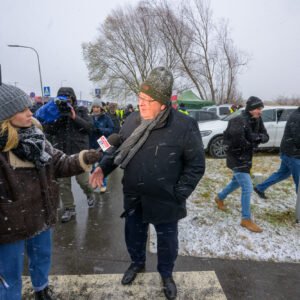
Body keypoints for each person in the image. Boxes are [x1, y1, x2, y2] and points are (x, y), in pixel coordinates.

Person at [90, 67, 205, 300]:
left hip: (166, 198)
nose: (141, 104)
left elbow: (196, 165)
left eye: (148, 100)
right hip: (134, 194)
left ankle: (166, 274)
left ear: (163, 104)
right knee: (133, 234)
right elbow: (117, 149)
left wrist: (178, 193)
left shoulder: (184, 126)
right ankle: (137, 263)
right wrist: (103, 166)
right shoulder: (132, 120)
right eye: (140, 98)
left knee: (167, 241)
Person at [0, 84, 101, 300]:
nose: (30, 113)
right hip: (9, 225)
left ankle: (42, 289)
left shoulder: (36, 137)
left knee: (42, 258)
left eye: (29, 108)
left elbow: (59, 162)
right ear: (5, 116)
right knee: (9, 276)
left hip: (41, 215)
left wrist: (85, 157)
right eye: (22, 110)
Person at [215, 96, 269, 233]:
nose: (260, 111)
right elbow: (238, 143)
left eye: (261, 109)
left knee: (236, 182)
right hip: (237, 158)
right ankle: (246, 219)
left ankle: (219, 197)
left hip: (247, 157)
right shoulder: (238, 120)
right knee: (247, 187)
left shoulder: (257, 119)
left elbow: (265, 136)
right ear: (251, 108)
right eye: (258, 109)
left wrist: (255, 137)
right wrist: (255, 139)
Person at [42, 87, 95, 222]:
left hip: (79, 152)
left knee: (82, 180)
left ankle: (90, 194)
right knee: (63, 184)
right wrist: (54, 116)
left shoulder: (81, 111)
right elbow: (48, 131)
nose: (65, 101)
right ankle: (69, 208)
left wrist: (74, 117)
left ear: (73, 98)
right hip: (61, 153)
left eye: (68, 98)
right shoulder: (57, 113)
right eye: (62, 99)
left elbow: (89, 128)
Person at [254, 106, 300, 223]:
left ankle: (260, 187)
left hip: (289, 152)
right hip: (293, 154)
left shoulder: (296, 114)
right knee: (299, 182)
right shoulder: (297, 117)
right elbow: (298, 139)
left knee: (282, 174)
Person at [89, 99, 114, 193]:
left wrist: (100, 129)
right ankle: (95, 181)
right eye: (94, 107)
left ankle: (103, 183)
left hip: (103, 141)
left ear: (101, 108)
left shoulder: (106, 118)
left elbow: (111, 129)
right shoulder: (89, 117)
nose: (96, 109)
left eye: (97, 107)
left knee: (102, 164)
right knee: (92, 166)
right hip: (92, 142)